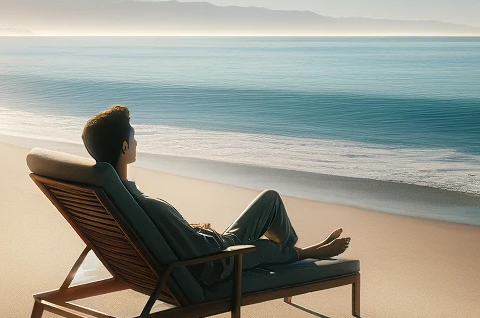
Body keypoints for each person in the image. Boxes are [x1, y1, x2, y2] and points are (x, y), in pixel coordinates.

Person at [82, 104, 350, 286]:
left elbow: (176, 239)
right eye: (134, 137)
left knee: (270, 199)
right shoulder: (147, 205)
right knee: (265, 246)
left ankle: (291, 251)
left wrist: (194, 230)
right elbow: (201, 255)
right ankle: (306, 254)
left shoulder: (114, 198)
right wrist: (204, 237)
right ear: (125, 146)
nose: (137, 142)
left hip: (211, 245)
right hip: (218, 261)